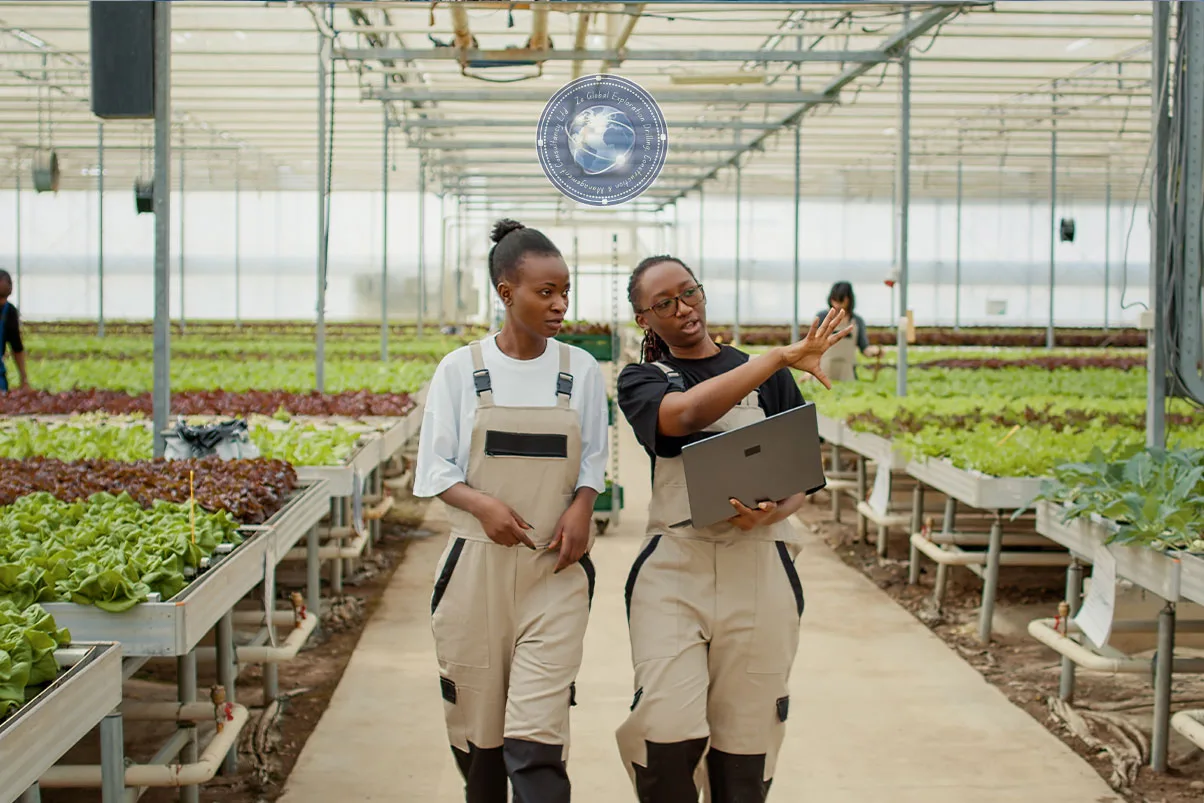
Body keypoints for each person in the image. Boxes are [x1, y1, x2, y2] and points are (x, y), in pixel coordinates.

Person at [615, 255, 851, 802]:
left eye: (689, 292)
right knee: (665, 732)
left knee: (747, 743)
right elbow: (681, 418)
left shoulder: (769, 378)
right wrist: (774, 359)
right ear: (644, 319)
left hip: (758, 565)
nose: (684, 308)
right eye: (664, 304)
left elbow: (800, 476)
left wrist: (773, 512)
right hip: (677, 567)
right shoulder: (644, 379)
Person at [414, 219, 609, 802]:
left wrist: (582, 506)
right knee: (481, 745)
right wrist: (481, 505)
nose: (560, 305)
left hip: (553, 571)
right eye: (544, 292)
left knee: (536, 740)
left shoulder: (580, 371)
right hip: (475, 572)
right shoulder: (460, 369)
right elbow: (435, 468)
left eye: (565, 291)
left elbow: (594, 461)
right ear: (506, 293)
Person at [814, 280, 880, 382]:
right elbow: (812, 347)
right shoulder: (822, 317)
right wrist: (808, 372)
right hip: (823, 371)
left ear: (849, 300)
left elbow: (864, 348)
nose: (837, 305)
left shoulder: (857, 321)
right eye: (834, 300)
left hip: (847, 373)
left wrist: (875, 352)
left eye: (841, 300)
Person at [0, 270, 27, 392]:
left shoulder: (9, 312)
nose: (2, 303)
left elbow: (16, 347)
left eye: (4, 298)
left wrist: (24, 379)